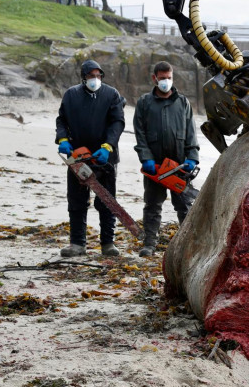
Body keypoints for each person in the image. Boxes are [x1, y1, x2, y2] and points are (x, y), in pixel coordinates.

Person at [56, 59, 126, 257]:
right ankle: (77, 244)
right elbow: (62, 119)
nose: (95, 79)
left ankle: (108, 244)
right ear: (83, 77)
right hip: (77, 156)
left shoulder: (111, 95)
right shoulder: (71, 95)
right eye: (91, 76)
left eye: (98, 75)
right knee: (76, 201)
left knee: (106, 200)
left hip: (105, 158)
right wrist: (63, 139)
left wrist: (107, 146)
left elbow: (117, 122)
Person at [133, 61, 199, 257]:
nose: (166, 82)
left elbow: (191, 133)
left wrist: (192, 157)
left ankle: (189, 246)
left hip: (179, 165)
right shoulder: (144, 103)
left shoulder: (183, 103)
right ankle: (149, 244)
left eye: (169, 78)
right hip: (155, 166)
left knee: (185, 207)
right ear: (154, 78)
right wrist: (146, 159)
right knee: (152, 205)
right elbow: (140, 134)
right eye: (162, 78)